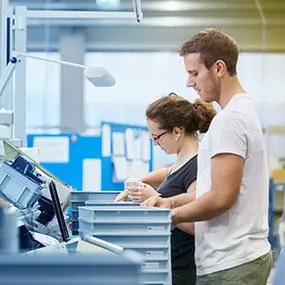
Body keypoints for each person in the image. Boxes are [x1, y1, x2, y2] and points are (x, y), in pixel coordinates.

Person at [142, 28, 272, 285]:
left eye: (194, 73)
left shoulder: (230, 120)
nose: (189, 83)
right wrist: (168, 203)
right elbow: (210, 191)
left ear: (219, 68)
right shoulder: (241, 111)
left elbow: (221, 197)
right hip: (238, 258)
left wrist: (171, 216)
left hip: (231, 262)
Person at [116, 93, 216, 285]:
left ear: (177, 131)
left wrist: (156, 198)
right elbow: (167, 173)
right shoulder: (182, 161)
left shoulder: (198, 164)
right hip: (173, 262)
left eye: (157, 137)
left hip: (185, 267)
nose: (155, 143)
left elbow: (197, 225)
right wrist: (138, 182)